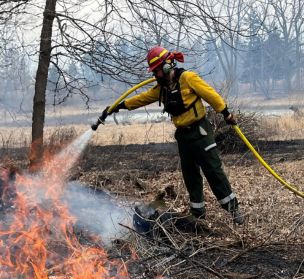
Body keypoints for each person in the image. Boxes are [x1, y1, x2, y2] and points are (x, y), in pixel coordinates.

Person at [104, 46, 244, 224]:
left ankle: (234, 211)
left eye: (158, 71)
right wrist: (118, 106)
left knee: (213, 171)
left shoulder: (188, 78)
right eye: (154, 72)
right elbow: (141, 99)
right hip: (183, 137)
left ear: (168, 66)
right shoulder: (162, 89)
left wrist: (226, 113)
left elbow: (211, 95)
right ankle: (197, 214)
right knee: (190, 175)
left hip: (200, 132)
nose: (156, 75)